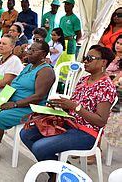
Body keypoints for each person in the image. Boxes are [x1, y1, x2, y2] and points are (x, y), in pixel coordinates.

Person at [20, 45, 116, 181]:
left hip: (87, 133)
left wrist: (75, 107)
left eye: (90, 58)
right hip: (69, 123)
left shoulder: (106, 86)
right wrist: (60, 106)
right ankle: (61, 171)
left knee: (39, 147)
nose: (85, 61)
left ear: (103, 62)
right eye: (85, 58)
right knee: (26, 134)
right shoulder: (84, 80)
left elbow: (100, 120)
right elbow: (74, 106)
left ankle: (58, 174)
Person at [0, 41, 55, 161]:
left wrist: (15, 104)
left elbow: (38, 96)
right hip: (14, 102)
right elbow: (14, 85)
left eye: (33, 51)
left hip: (30, 107)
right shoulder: (29, 66)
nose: (28, 52)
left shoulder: (46, 71)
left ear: (43, 54)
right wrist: (1, 97)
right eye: (29, 49)